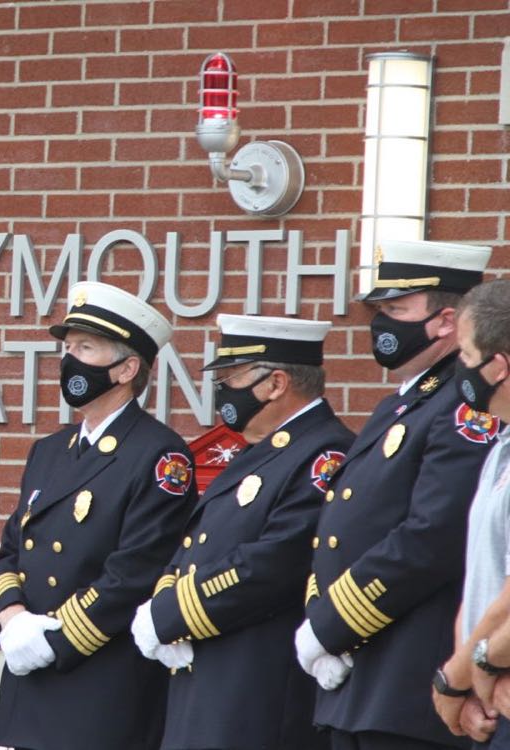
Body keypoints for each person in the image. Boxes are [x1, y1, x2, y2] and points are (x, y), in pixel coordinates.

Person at [296, 240, 497, 750]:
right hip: (362, 679)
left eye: (395, 310)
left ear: (446, 320)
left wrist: (332, 624)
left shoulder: (462, 406)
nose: (382, 324)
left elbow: (434, 536)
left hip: (407, 680)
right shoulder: (401, 405)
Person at [0, 281, 197, 750]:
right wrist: (13, 617)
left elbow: (135, 573)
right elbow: (10, 550)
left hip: (99, 684)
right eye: (68, 347)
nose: (70, 360)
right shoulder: (49, 451)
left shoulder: (159, 455)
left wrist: (52, 643)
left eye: (86, 347)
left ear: (126, 369)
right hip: (28, 677)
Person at [132, 314, 354, 750]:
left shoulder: (323, 452)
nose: (223, 390)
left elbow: (275, 562)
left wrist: (171, 614)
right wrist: (162, 600)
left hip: (257, 694)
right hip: (209, 687)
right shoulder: (261, 452)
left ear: (275, 384)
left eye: (232, 377)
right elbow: (195, 543)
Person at [431, 278, 510, 747]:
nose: (460, 367)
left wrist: (460, 675)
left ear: (498, 366)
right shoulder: (499, 445)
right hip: (489, 700)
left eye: (465, 355)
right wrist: (470, 679)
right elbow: (481, 571)